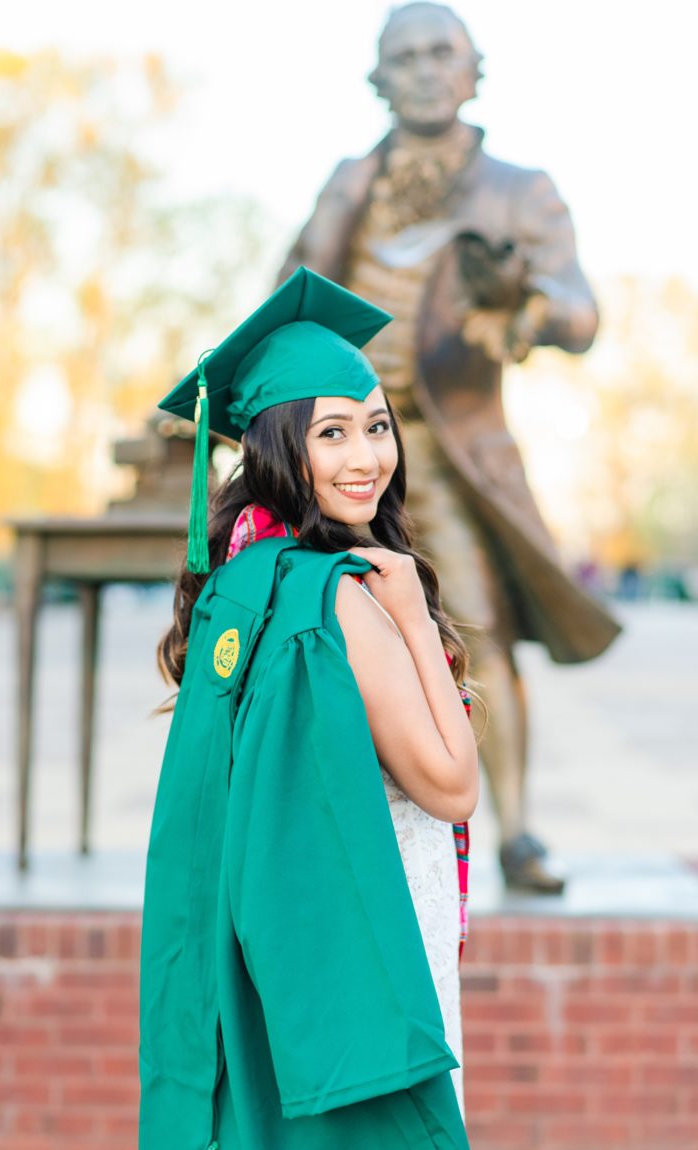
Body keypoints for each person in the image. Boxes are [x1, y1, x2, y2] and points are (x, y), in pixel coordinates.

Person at [278, 1, 621, 891]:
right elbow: (283, 298)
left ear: (475, 71)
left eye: (444, 53)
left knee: (478, 626)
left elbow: (579, 307)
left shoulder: (520, 188)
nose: (427, 69)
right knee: (314, 631)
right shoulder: (348, 181)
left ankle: (516, 830)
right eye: (406, 56)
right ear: (378, 79)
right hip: (331, 452)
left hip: (442, 451)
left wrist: (533, 312)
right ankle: (320, 824)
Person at [139, 266, 479, 1149]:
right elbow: (450, 786)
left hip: (267, 951)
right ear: (280, 446)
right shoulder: (339, 597)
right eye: (332, 433)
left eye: (376, 426)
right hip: (378, 923)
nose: (366, 458)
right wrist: (408, 617)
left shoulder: (240, 583)